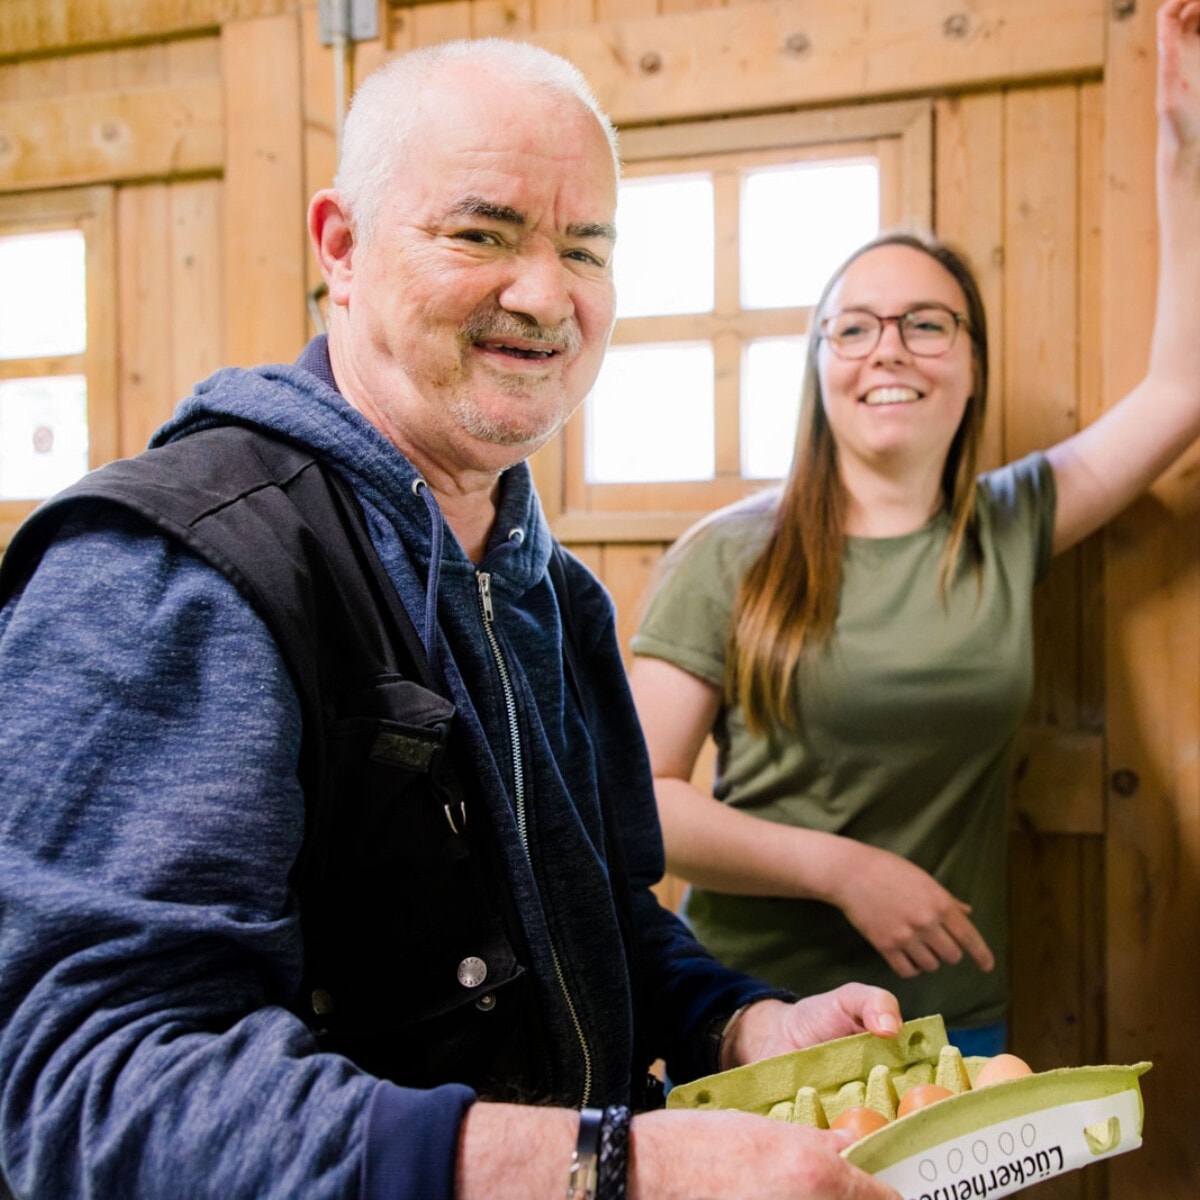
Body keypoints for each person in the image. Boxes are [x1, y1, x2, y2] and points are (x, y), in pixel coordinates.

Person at [0, 35, 907, 1200]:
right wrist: (618, 1170)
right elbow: (80, 1084)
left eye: (585, 248)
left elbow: (597, 924)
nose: (543, 293)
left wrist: (744, 1026)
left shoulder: (549, 588)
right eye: (481, 233)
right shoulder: (175, 568)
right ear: (341, 245)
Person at [629, 0, 1200, 1061]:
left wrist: (1183, 139)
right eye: (854, 326)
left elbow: (1182, 385)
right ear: (822, 368)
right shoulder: (727, 555)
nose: (888, 348)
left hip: (952, 1018)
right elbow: (637, 804)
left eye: (926, 323)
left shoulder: (1009, 525)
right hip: (748, 1021)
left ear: (971, 363)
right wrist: (844, 869)